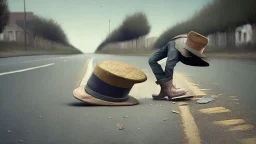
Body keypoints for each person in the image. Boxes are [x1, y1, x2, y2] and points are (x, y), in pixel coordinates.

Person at [148, 31, 210, 100]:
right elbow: (169, 65)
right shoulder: (176, 48)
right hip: (174, 43)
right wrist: (169, 86)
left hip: (179, 43)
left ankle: (164, 90)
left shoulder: (193, 45)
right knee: (152, 60)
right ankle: (169, 89)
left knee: (159, 61)